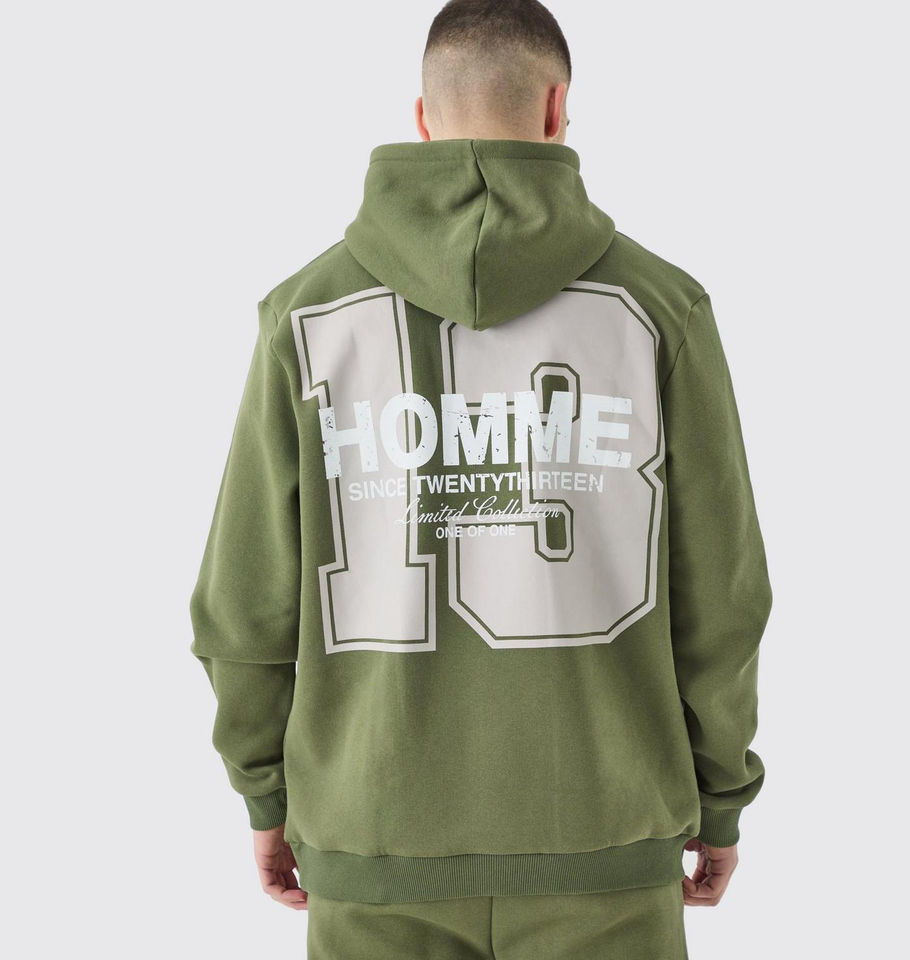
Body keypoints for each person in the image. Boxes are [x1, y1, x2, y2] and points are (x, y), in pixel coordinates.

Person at [188, 1, 774, 957]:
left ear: (423, 118)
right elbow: (723, 600)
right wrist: (721, 797)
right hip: (607, 840)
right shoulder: (662, 311)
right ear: (556, 109)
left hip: (374, 839)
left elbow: (244, 604)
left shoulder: (305, 317)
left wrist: (264, 792)